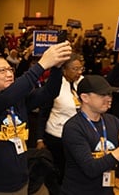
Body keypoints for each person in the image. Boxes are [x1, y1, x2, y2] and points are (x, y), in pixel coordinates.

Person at [0, 41, 72, 194]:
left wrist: (57, 67)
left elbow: (49, 92)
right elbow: (7, 97)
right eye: (2, 70)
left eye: (10, 69)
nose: (9, 73)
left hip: (21, 182)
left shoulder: (19, 100)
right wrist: (42, 64)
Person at [36, 53, 85, 182]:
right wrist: (39, 139)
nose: (78, 72)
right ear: (64, 70)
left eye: (81, 69)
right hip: (56, 136)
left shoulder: (83, 83)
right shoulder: (54, 86)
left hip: (78, 136)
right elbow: (43, 113)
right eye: (74, 69)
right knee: (59, 171)